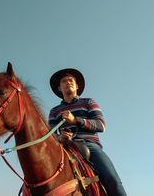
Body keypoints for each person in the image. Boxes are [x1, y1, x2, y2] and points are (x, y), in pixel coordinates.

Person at [49, 68, 126, 196]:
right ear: (59, 88)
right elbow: (50, 134)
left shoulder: (88, 102)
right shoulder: (55, 111)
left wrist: (75, 120)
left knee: (112, 180)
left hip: (88, 144)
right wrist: (59, 137)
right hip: (64, 147)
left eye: (71, 80)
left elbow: (101, 125)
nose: (68, 83)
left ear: (77, 86)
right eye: (64, 81)